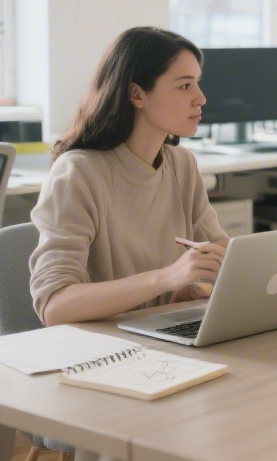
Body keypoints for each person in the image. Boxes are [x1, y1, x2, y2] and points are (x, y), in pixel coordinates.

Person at [29, 27, 228, 326]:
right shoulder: (78, 173)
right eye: (185, 86)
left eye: (197, 83)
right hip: (107, 350)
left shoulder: (182, 165)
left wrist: (196, 288)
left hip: (163, 337)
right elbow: (55, 306)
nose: (201, 98)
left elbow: (226, 259)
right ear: (137, 94)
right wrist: (167, 278)